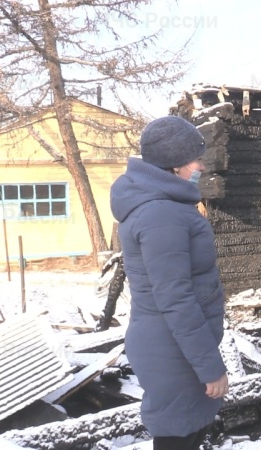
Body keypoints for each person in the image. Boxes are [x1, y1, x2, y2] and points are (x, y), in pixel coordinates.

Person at [110, 116, 229, 450]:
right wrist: (211, 369)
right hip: (172, 350)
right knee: (178, 438)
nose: (202, 167)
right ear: (176, 166)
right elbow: (175, 299)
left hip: (177, 345)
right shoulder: (161, 215)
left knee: (188, 433)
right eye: (197, 160)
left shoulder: (166, 206)